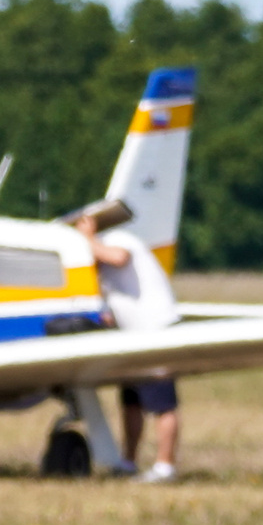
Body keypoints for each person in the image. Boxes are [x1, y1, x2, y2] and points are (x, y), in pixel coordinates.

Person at [70, 199, 180, 482]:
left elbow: (119, 258)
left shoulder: (117, 239)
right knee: (131, 401)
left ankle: (165, 466)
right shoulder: (100, 258)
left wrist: (86, 238)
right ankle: (128, 461)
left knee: (161, 401)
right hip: (134, 336)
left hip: (155, 331)